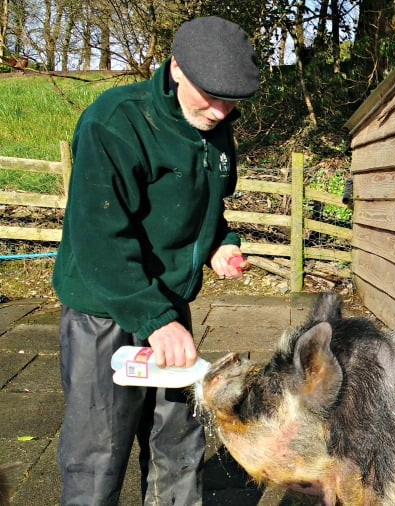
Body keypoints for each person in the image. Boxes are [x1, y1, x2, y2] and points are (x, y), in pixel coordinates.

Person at [51, 15, 259, 505]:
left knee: (179, 440)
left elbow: (207, 208)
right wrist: (155, 319)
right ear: (177, 69)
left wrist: (218, 245)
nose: (220, 111)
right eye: (211, 95)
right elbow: (99, 236)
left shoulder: (214, 126)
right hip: (105, 305)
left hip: (167, 306)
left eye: (232, 101)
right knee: (98, 448)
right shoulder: (116, 123)